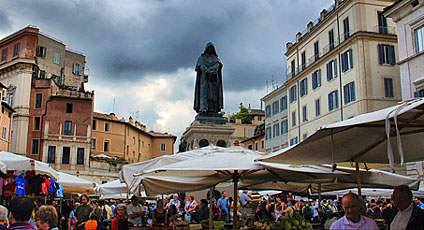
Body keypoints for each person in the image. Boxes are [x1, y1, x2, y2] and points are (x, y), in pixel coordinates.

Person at [194, 42, 224, 115]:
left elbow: (218, 65)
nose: (210, 49)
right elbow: (201, 66)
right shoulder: (202, 58)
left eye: (211, 48)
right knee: (204, 93)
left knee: (214, 94)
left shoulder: (216, 59)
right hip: (204, 79)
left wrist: (212, 69)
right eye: (209, 48)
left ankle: (214, 109)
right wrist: (207, 70)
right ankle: (203, 108)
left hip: (214, 79)